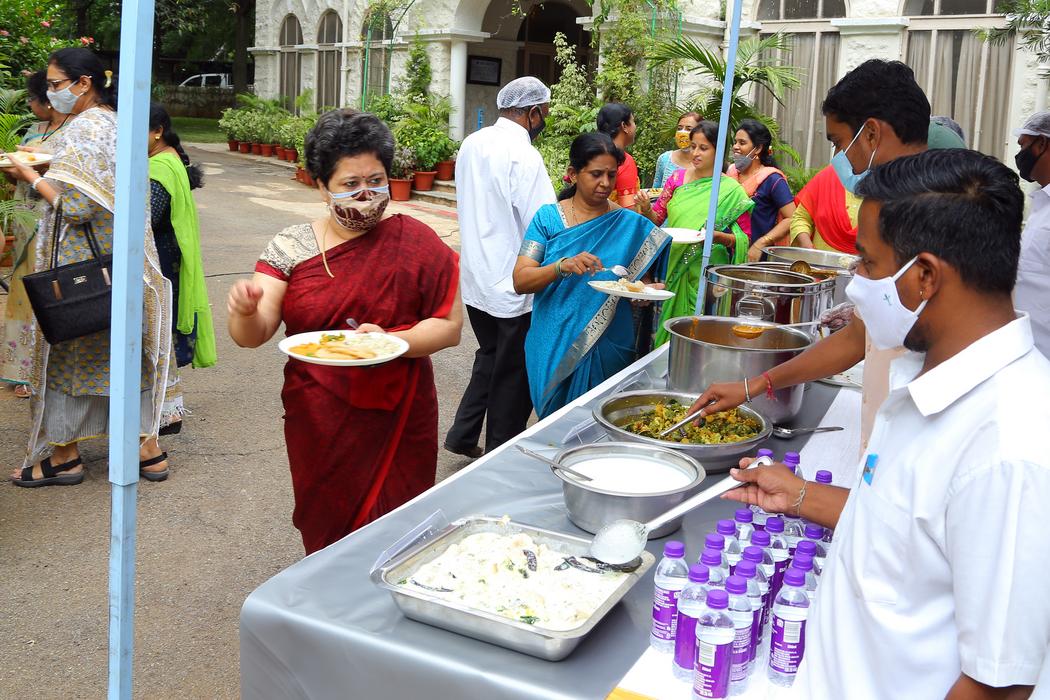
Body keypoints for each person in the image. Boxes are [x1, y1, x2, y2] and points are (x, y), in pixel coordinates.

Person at [723, 149, 1050, 698]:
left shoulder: (1010, 448)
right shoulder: (928, 382)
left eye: (868, 264)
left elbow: (996, 683)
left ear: (924, 277)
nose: (856, 282)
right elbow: (914, 533)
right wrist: (801, 496)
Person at [227, 109, 462, 554]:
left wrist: (392, 341)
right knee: (329, 525)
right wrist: (244, 310)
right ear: (321, 186)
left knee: (400, 527)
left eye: (376, 180)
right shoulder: (292, 246)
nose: (366, 194)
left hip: (401, 412)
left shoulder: (416, 240)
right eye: (350, 184)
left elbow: (449, 327)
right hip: (320, 418)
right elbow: (253, 334)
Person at [688, 60, 932, 450]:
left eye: (838, 142)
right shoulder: (895, 201)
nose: (839, 157)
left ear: (871, 133)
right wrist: (754, 385)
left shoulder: (929, 212)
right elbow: (859, 336)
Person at [2, 47, 172, 486]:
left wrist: (32, 177)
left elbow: (77, 207)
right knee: (124, 355)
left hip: (80, 272)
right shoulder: (114, 123)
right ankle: (147, 449)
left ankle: (65, 456)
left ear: (84, 83)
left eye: (56, 84)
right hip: (119, 267)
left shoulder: (85, 129)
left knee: (68, 355)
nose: (51, 92)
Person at [513, 133, 670, 417]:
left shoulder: (629, 224)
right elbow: (521, 280)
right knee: (554, 423)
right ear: (573, 174)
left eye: (611, 175)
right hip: (553, 338)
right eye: (596, 174)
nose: (606, 183)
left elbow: (643, 281)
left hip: (609, 341)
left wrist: (644, 293)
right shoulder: (548, 219)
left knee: (599, 424)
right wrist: (561, 266)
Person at [444, 76, 556, 458]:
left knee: (490, 354)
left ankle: (462, 434)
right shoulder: (524, 155)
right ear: (533, 112)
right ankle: (498, 452)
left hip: (476, 276)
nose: (544, 121)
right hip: (512, 281)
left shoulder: (472, 142)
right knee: (512, 373)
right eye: (544, 114)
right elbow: (543, 222)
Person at [637, 120, 754, 346]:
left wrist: (718, 237)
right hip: (671, 265)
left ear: (718, 151)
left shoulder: (732, 191)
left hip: (706, 271)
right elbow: (657, 219)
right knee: (665, 329)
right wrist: (645, 209)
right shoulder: (677, 179)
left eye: (703, 148)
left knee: (697, 333)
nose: (695, 153)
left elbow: (743, 239)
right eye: (693, 147)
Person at [147, 102, 216, 435]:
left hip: (160, 260)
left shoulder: (159, 168)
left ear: (157, 131)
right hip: (171, 259)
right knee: (161, 336)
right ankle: (165, 410)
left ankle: (162, 412)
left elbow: (146, 217)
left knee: (154, 335)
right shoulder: (169, 159)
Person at [1, 70, 70, 398]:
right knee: (22, 291)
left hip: (53, 222)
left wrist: (36, 172)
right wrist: (15, 172)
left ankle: (46, 368)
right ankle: (19, 371)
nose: (29, 104)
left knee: (49, 291)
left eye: (32, 97)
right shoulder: (33, 131)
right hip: (25, 220)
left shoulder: (72, 132)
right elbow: (15, 176)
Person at [725, 118, 796, 261]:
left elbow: (792, 218)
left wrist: (761, 243)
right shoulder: (730, 174)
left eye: (742, 143)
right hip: (725, 254)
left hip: (756, 258)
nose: (735, 147)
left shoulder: (772, 179)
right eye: (735, 142)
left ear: (757, 148)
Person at [1011, 111, 1050, 358]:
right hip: (1031, 350)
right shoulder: (1042, 205)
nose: (1020, 155)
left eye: (1023, 145)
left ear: (1042, 143)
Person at [789, 164, 861, 254]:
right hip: (818, 261)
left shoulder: (878, 188)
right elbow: (801, 217)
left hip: (864, 262)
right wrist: (807, 247)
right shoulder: (828, 177)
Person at [597, 103, 640, 210]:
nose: (635, 126)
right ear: (624, 126)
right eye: (633, 121)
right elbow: (628, 209)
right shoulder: (625, 161)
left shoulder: (591, 153)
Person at [651, 111, 702, 189]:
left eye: (689, 129)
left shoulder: (705, 163)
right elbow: (655, 191)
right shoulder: (665, 159)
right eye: (679, 128)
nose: (682, 132)